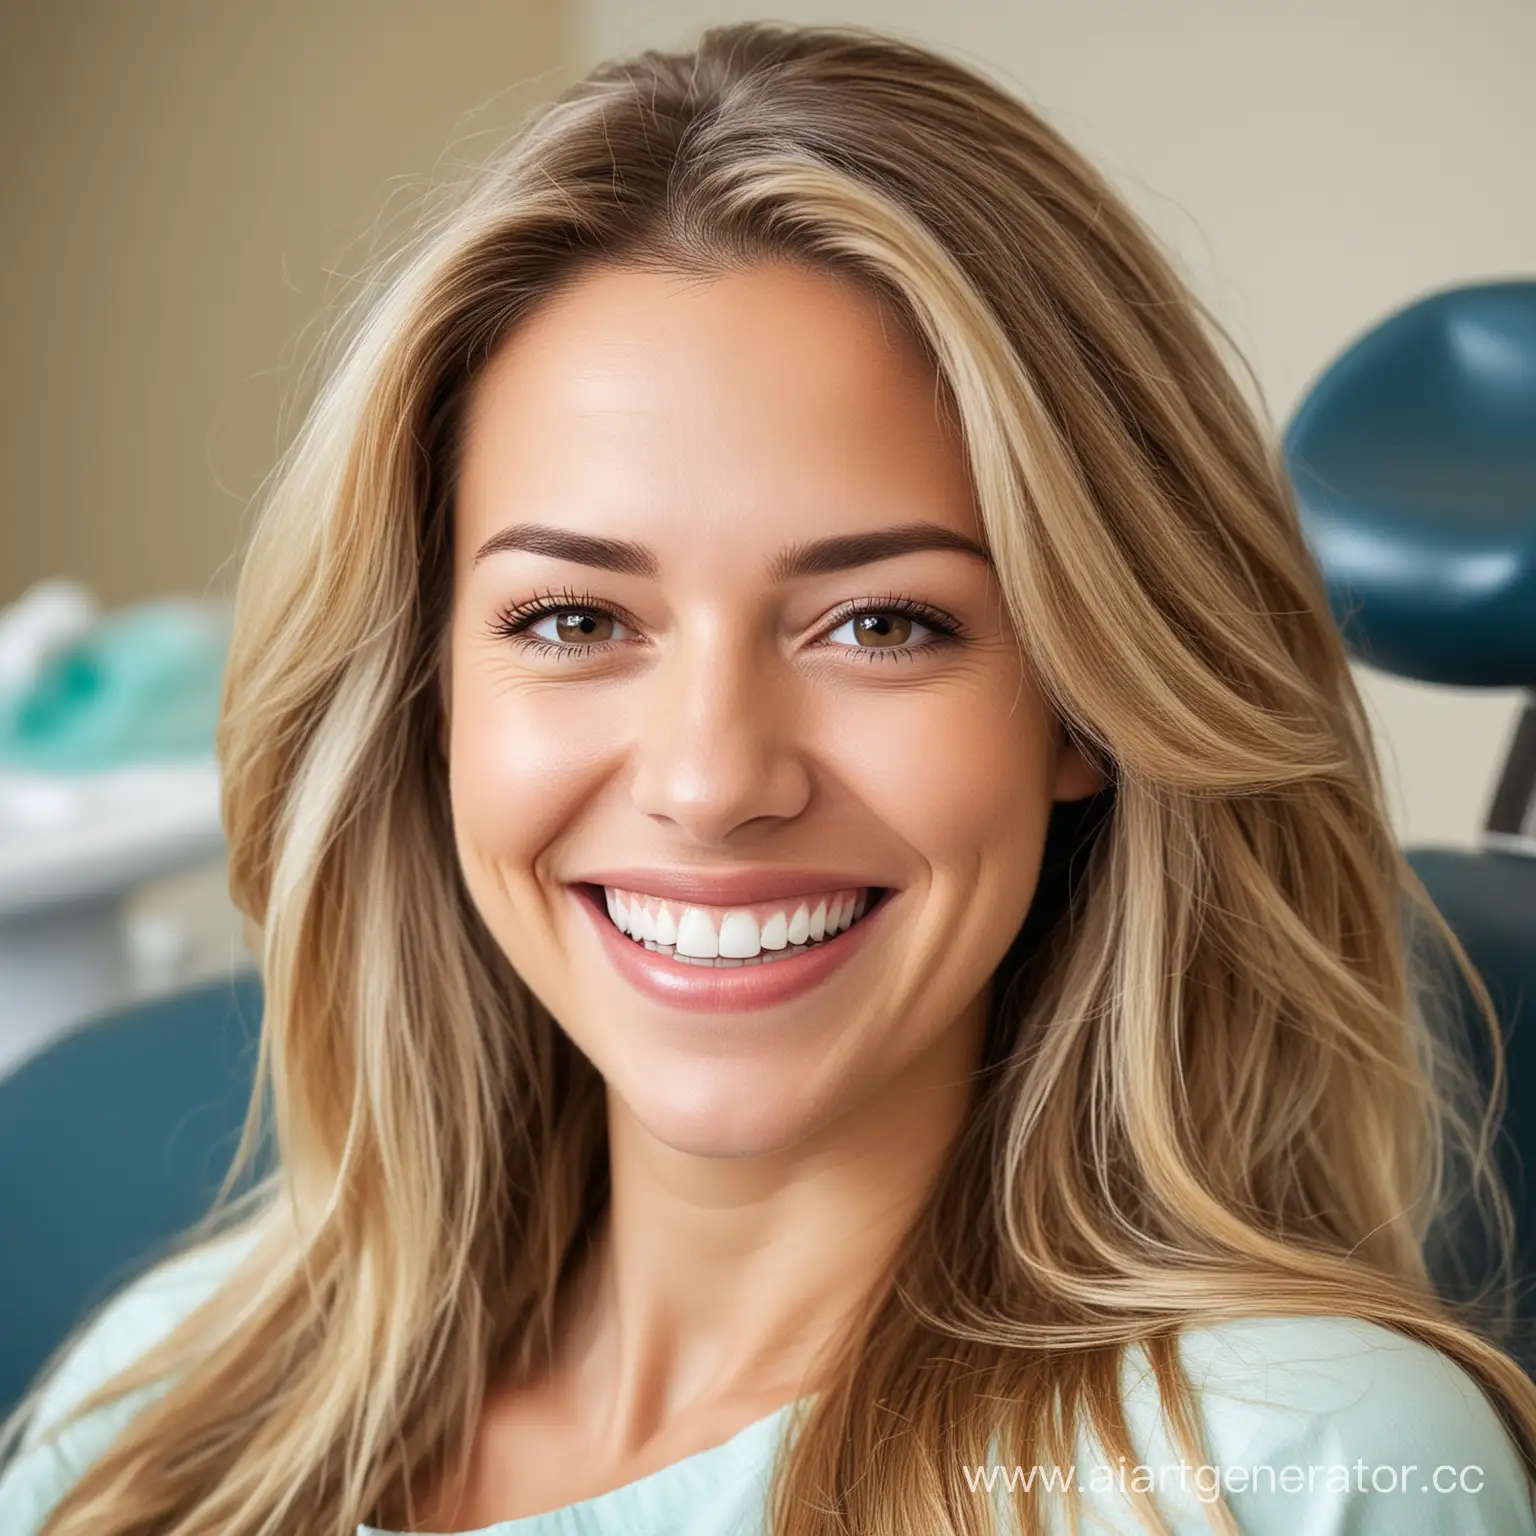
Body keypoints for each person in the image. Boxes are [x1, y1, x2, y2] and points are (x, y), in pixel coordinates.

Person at [2, 20, 1533, 1536]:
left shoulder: (1290, 1473)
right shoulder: (159, 1420)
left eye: (882, 622)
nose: (711, 777)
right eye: (575, 619)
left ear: (1087, 702)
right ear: (429, 699)